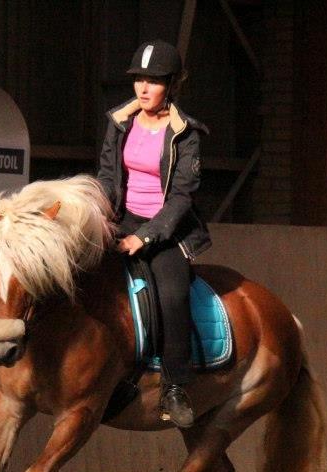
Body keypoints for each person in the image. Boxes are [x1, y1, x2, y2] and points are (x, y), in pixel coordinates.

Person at [97, 39, 211, 429]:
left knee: (173, 293)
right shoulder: (119, 122)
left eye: (154, 81)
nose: (143, 89)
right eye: (139, 80)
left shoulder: (186, 133)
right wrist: (101, 219)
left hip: (167, 229)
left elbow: (181, 199)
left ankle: (175, 385)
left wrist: (144, 238)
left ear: (172, 85)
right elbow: (107, 177)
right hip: (121, 218)